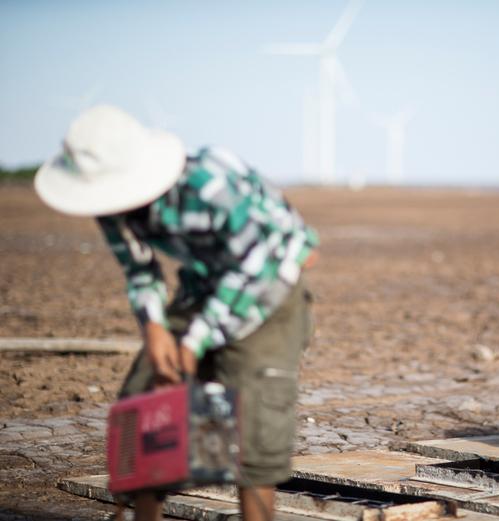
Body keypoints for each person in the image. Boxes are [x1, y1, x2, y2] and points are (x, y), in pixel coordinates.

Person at [34, 105, 319, 521]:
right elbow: (139, 269)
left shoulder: (212, 182)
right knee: (145, 406)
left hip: (269, 289)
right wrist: (154, 326)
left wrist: (197, 338)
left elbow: (253, 267)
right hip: (202, 286)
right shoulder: (108, 202)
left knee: (254, 425)